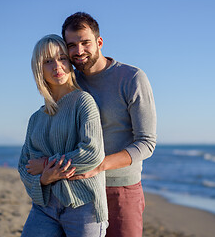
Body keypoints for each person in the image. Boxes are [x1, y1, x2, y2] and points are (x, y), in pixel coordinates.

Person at [62, 12, 157, 237]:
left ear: (99, 42)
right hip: (79, 190)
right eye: (72, 45)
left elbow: (147, 143)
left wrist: (100, 166)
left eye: (85, 42)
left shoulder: (132, 78)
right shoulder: (68, 82)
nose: (79, 51)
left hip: (121, 189)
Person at [18, 34, 108, 237]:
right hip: (44, 206)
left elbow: (92, 153)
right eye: (48, 61)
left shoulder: (83, 102)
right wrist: (43, 179)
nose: (57, 66)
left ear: (69, 62)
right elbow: (24, 165)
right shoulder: (35, 118)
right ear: (38, 68)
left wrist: (46, 165)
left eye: (62, 58)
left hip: (84, 205)